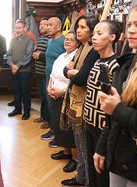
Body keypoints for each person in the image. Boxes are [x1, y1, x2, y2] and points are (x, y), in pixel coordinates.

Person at [94, 0, 137, 187]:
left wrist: (119, 109)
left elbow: (117, 111)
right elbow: (112, 117)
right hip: (118, 158)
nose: (131, 31)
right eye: (129, 25)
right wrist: (102, 147)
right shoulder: (126, 65)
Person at [60, 14, 100, 187]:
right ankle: (81, 178)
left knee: (85, 148)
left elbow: (80, 78)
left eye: (83, 27)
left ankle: (87, 181)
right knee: (80, 144)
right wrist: (71, 71)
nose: (78, 30)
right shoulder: (82, 48)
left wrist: (72, 72)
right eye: (78, 27)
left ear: (92, 31)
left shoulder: (93, 50)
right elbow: (67, 70)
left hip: (85, 105)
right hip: (75, 102)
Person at [84, 20, 123, 187]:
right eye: (94, 33)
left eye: (100, 34)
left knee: (102, 176)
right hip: (90, 125)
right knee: (92, 173)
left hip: (103, 130)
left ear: (112, 37)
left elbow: (114, 106)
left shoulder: (116, 65)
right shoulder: (97, 61)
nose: (94, 37)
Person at [47, 31, 78, 171]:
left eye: (71, 40)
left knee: (70, 129)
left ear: (77, 43)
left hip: (67, 96)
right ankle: (66, 152)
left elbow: (76, 82)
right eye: (66, 39)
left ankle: (75, 159)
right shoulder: (61, 56)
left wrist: (62, 92)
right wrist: (49, 87)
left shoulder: (77, 58)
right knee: (61, 126)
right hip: (55, 94)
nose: (67, 42)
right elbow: (52, 75)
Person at [41, 17, 66, 147]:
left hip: (60, 82)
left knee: (58, 110)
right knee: (51, 108)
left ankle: (59, 136)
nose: (48, 27)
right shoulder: (49, 42)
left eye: (51, 25)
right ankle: (52, 130)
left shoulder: (64, 41)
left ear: (58, 27)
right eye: (47, 25)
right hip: (49, 79)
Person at [7, 19, 35, 120]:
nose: (17, 30)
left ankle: (26, 111)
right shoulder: (13, 40)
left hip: (24, 71)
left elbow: (28, 56)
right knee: (16, 90)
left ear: (25, 28)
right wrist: (11, 65)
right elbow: (9, 54)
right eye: (16, 28)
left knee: (25, 92)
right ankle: (17, 109)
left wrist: (17, 65)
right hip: (13, 70)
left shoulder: (29, 40)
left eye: (19, 28)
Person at [32, 17, 51, 129]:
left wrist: (39, 55)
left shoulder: (51, 39)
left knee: (47, 98)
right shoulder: (40, 39)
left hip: (46, 74)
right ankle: (43, 116)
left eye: (45, 24)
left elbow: (50, 56)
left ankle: (48, 120)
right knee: (42, 97)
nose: (42, 26)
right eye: (41, 25)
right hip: (38, 73)